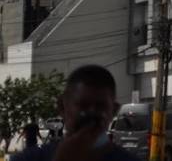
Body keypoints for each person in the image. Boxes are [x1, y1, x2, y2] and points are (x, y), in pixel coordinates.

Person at [11, 64, 139, 161]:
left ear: (114, 110)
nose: (91, 113)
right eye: (82, 105)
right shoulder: (30, 158)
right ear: (62, 107)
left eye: (100, 106)